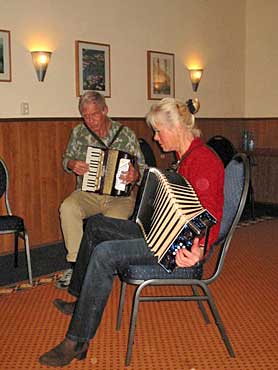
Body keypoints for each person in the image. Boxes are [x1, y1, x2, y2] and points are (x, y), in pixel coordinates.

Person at [39, 97, 224, 367]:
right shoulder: (185, 159)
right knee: (96, 225)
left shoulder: (203, 160)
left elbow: (211, 215)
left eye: (159, 131)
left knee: (105, 253)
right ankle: (81, 299)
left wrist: (199, 251)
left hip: (175, 248)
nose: (156, 138)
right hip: (159, 233)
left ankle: (76, 340)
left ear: (176, 129)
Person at [56, 91, 145, 288]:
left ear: (105, 110)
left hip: (119, 197)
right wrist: (72, 164)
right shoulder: (79, 133)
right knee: (67, 207)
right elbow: (66, 159)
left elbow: (144, 169)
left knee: (111, 222)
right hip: (88, 193)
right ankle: (76, 265)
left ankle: (105, 266)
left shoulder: (126, 134)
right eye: (85, 116)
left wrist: (135, 175)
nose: (89, 120)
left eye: (94, 114)